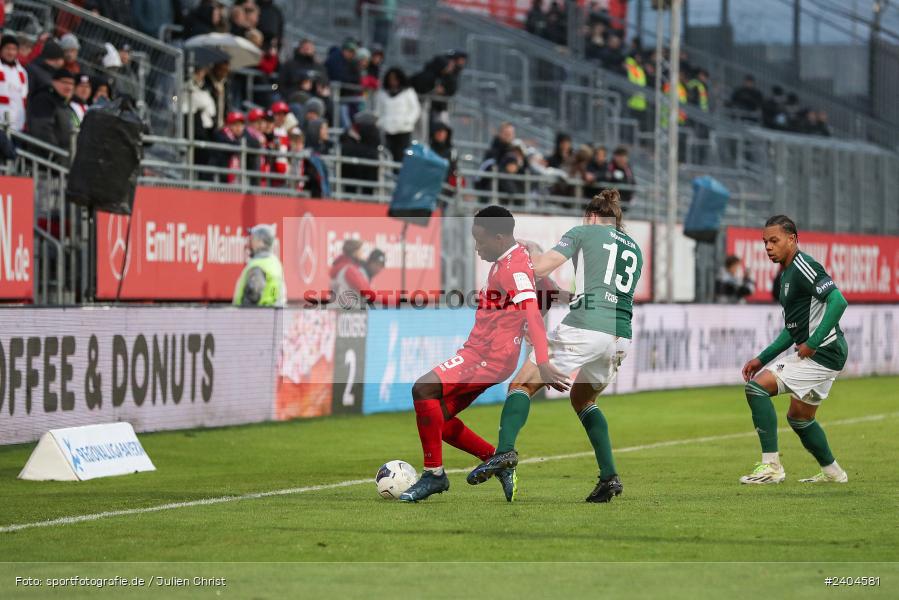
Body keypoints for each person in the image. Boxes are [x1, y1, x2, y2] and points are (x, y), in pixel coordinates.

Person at [468, 190, 643, 503]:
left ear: (591, 218)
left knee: (521, 383)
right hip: (620, 336)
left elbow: (541, 268)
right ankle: (609, 477)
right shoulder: (634, 248)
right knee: (582, 398)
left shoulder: (582, 231)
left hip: (587, 326)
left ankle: (504, 451)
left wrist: (516, 255)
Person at [398, 206, 566, 503]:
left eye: (481, 241)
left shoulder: (512, 269)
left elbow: (533, 313)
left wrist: (542, 361)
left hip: (489, 356)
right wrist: (554, 292)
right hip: (482, 351)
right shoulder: (518, 253)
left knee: (422, 389)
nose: (476, 248)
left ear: (500, 238)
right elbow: (540, 285)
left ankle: (433, 476)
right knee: (440, 419)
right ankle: (498, 460)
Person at [739, 215, 849, 485]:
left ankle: (771, 467)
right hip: (826, 352)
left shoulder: (803, 266)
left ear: (792, 239)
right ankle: (834, 473)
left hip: (823, 352)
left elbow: (838, 301)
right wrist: (761, 358)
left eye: (774, 241)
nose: (768, 247)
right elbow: (792, 328)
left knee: (757, 388)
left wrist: (813, 342)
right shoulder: (787, 273)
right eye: (765, 242)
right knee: (800, 418)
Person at [233, 224, 286, 307]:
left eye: (253, 239)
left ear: (261, 242)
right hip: (272, 315)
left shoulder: (258, 265)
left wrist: (242, 316)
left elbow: (252, 295)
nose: (250, 242)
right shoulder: (275, 263)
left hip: (256, 317)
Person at [25, 68, 76, 153]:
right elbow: (41, 129)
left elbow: (77, 127)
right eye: (65, 82)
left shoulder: (68, 107)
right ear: (54, 82)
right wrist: (55, 152)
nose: (69, 87)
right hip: (47, 157)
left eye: (72, 84)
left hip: (65, 157)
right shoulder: (44, 99)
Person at [375, 67, 420, 162]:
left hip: (403, 129)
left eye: (395, 79)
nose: (393, 82)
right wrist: (381, 122)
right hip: (388, 129)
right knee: (387, 154)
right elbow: (378, 111)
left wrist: (408, 121)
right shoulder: (383, 93)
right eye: (391, 79)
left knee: (402, 156)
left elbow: (415, 109)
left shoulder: (408, 92)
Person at [329, 239, 373, 308]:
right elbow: (366, 291)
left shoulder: (340, 266)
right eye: (361, 250)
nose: (363, 253)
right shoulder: (350, 270)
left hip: (340, 309)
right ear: (355, 252)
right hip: (352, 310)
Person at [0, 34, 28, 132]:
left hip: (17, 125)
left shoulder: (22, 72)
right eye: (7, 48)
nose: (11, 52)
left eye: (14, 49)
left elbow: (23, 98)